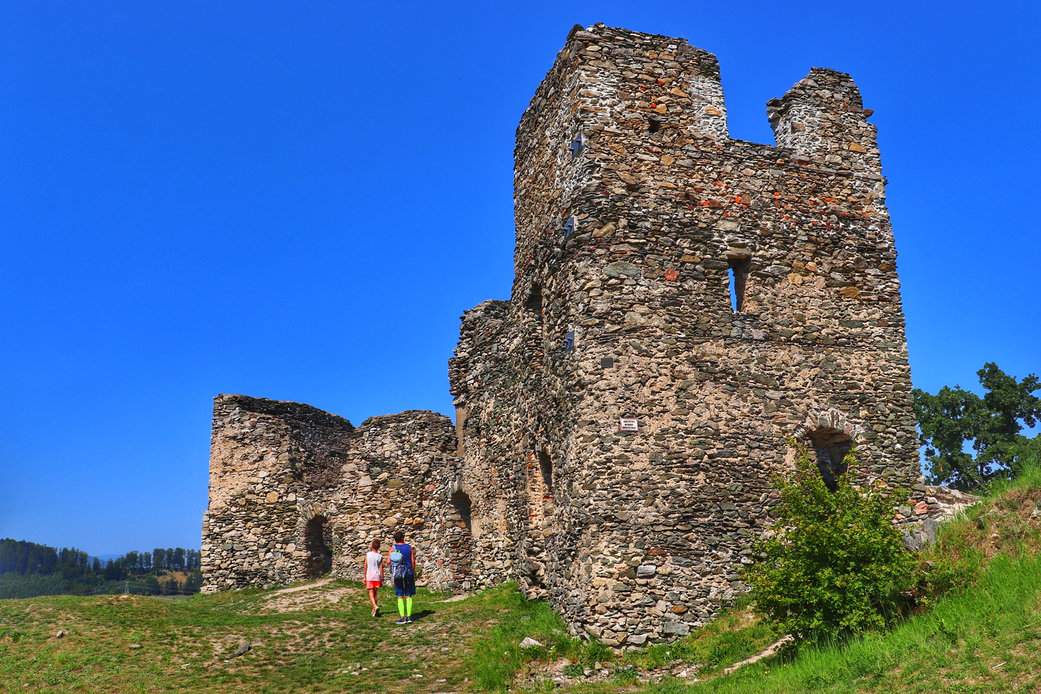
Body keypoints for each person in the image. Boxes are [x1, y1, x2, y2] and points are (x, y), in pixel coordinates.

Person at [388, 530, 416, 624]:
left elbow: (388, 562)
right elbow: (412, 561)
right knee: (408, 594)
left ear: (395, 540)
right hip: (408, 572)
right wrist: (413, 572)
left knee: (400, 595)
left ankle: (402, 618)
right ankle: (408, 617)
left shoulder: (393, 548)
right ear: (403, 538)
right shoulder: (409, 547)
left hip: (398, 573)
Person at [363, 538, 383, 617]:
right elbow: (381, 568)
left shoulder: (368, 554)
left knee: (370, 593)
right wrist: (382, 578)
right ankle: (374, 611)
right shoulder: (380, 556)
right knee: (375, 593)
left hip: (370, 576)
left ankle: (375, 606)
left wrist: (364, 577)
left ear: (372, 546)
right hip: (377, 576)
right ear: (379, 547)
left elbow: (365, 566)